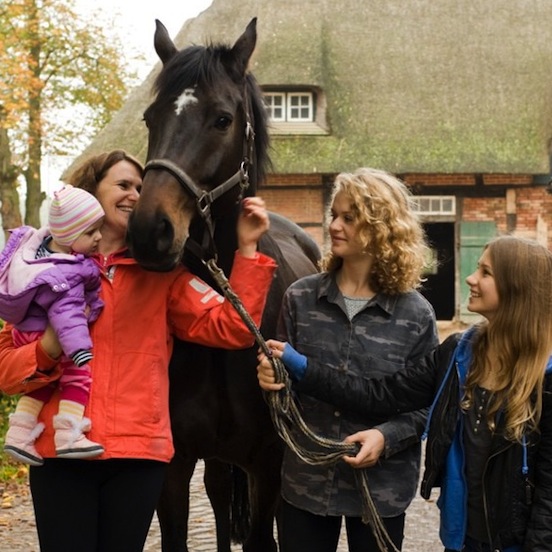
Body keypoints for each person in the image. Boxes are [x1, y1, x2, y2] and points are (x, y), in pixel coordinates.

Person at [0, 149, 277, 552]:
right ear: (91, 193)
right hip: (60, 454)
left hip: (137, 456)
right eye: (123, 185)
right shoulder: (40, 273)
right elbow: (7, 372)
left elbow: (233, 329)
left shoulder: (163, 277)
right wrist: (49, 346)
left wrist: (248, 250)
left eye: (141, 188)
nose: (135, 195)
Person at [258, 235, 552, 552]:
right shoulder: (459, 352)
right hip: (463, 537)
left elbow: (549, 495)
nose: (470, 277)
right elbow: (380, 394)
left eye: (485, 272)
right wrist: (299, 364)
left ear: (517, 289)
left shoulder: (546, 379)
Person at [258, 167, 439, 552]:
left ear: (381, 228)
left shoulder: (416, 314)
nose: (334, 225)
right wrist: (270, 379)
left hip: (382, 485)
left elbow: (428, 406)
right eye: (334, 215)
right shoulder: (300, 298)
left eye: (349, 218)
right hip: (306, 481)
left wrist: (386, 437)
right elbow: (283, 391)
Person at [1, 185, 106, 465]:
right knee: (78, 377)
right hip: (50, 332)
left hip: (27, 330)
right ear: (70, 236)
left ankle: (19, 433)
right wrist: (79, 349)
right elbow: (67, 314)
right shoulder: (66, 272)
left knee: (44, 384)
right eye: (90, 232)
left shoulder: (41, 253)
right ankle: (69, 434)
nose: (98, 237)